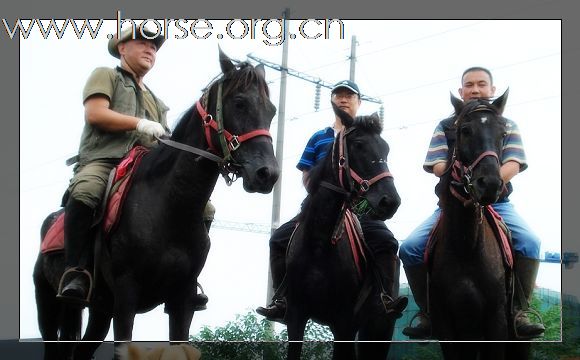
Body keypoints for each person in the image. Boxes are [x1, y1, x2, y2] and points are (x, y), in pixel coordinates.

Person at [56, 24, 212, 309]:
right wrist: (139, 123)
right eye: (143, 43)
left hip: (145, 169)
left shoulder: (157, 101)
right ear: (122, 47)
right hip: (106, 161)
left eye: (154, 46)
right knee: (86, 190)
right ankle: (76, 271)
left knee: (204, 207)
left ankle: (187, 279)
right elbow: (95, 113)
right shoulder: (106, 75)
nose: (150, 49)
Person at [399, 67, 544, 340]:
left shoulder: (507, 123)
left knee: (530, 242)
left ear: (492, 89)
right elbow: (438, 164)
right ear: (461, 91)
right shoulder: (446, 125)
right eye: (469, 85)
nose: (475, 89)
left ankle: (518, 311)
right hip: (452, 206)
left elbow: (513, 163)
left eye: (481, 84)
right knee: (410, 247)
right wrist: (465, 181)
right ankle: (427, 313)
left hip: (497, 202)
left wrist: (485, 183)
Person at [256, 80, 407, 323]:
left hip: (360, 209)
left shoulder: (369, 137)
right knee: (278, 240)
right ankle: (282, 298)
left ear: (359, 102)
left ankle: (385, 299)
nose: (343, 100)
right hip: (319, 211)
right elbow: (306, 173)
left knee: (387, 242)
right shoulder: (319, 137)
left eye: (349, 96)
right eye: (339, 96)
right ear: (333, 102)